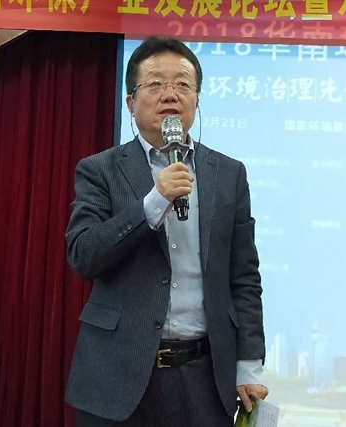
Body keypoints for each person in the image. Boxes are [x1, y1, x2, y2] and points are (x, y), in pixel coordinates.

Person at [65, 36, 267, 427]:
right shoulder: (99, 170)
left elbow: (244, 277)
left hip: (203, 377)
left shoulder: (228, 173)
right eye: (156, 83)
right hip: (116, 375)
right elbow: (84, 255)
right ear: (130, 102)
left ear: (197, 100)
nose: (170, 94)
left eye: (182, 85)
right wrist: (154, 203)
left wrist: (248, 363)